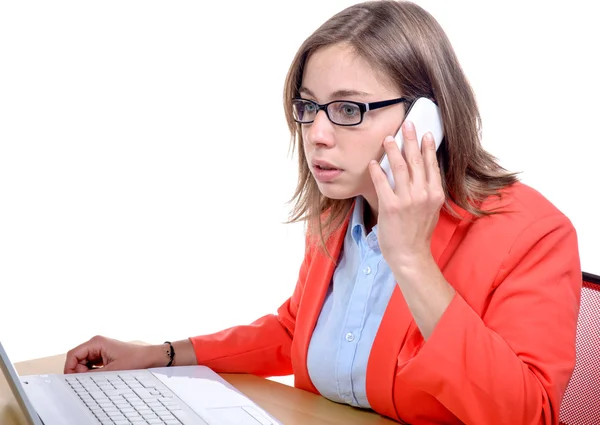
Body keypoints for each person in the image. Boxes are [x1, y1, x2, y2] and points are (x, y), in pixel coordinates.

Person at [63, 1, 582, 424]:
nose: (317, 133)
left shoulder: (533, 234)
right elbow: (298, 333)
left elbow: (528, 416)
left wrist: (413, 262)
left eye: (348, 109)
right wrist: (160, 353)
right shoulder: (339, 214)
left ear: (426, 119)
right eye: (309, 106)